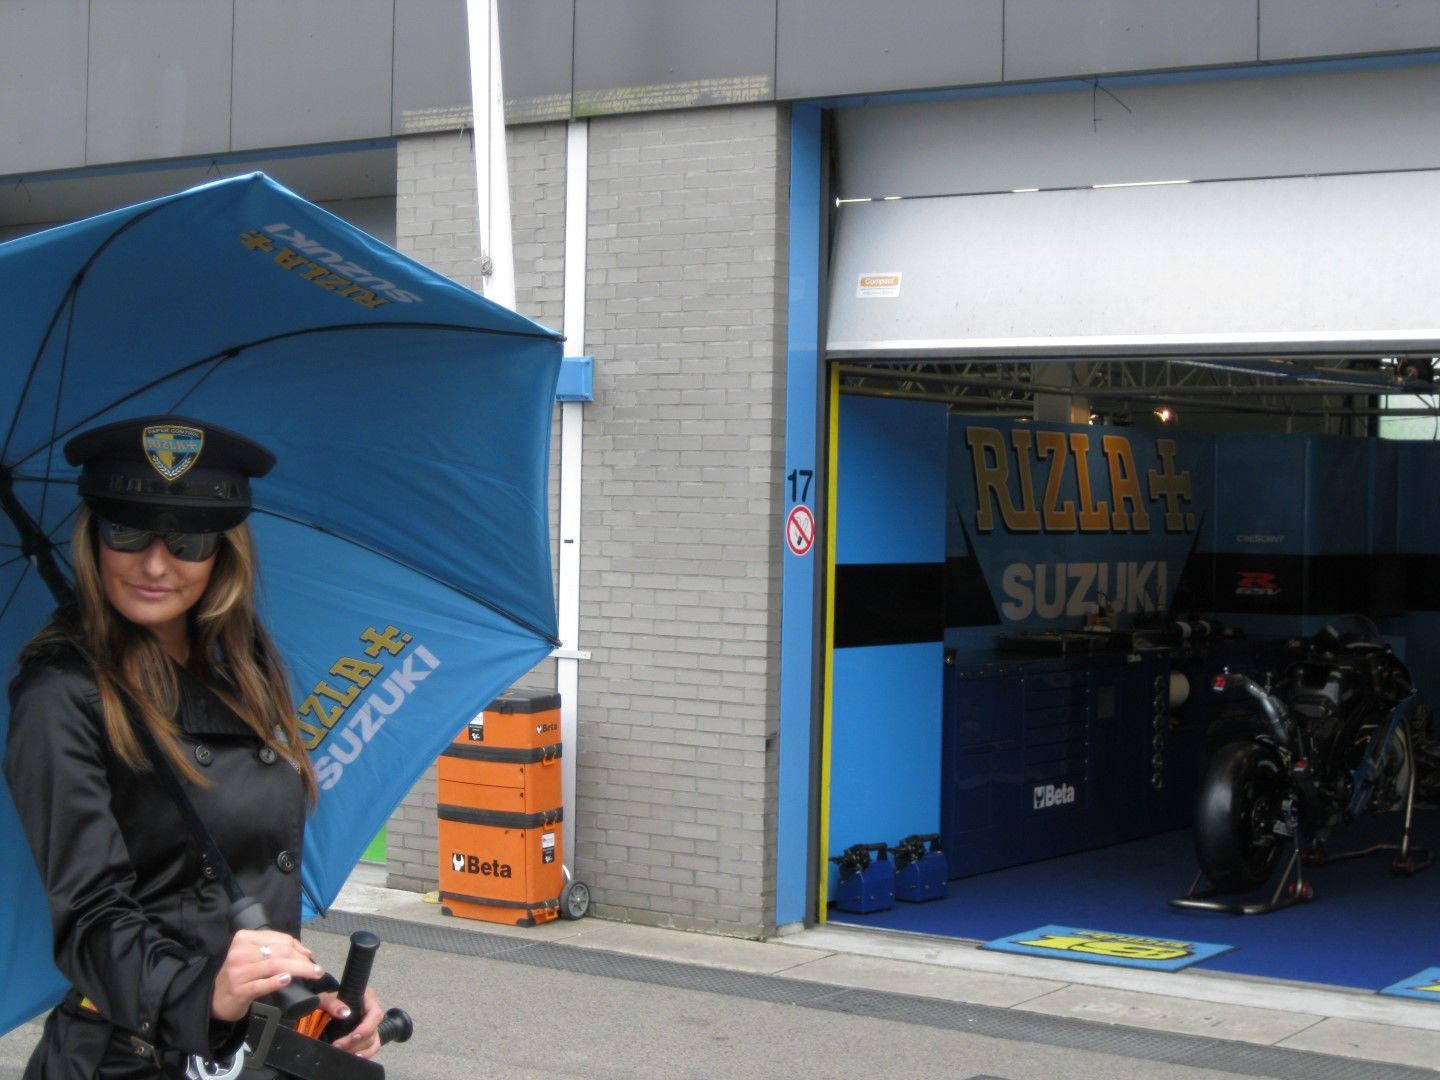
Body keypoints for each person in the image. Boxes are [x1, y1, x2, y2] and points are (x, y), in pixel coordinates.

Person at [4, 416, 384, 1078]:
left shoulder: (244, 662)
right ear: (93, 537)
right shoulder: (61, 694)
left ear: (223, 552)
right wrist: (206, 990)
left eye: (188, 539)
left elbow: (242, 880)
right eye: (128, 532)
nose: (155, 564)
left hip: (244, 1050)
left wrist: (310, 995)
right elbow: (92, 916)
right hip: (131, 1057)